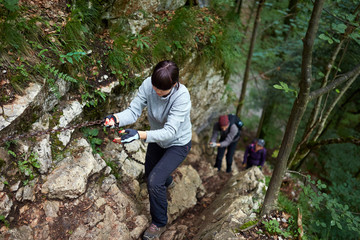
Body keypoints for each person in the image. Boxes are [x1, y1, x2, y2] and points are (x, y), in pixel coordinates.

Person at [103, 60, 192, 240]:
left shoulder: (182, 97)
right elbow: (134, 111)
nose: (156, 92)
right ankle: (166, 180)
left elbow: (170, 132)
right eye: (154, 87)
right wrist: (116, 118)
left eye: (161, 90)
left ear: (174, 84)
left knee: (153, 181)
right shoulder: (148, 85)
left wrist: (139, 135)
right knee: (152, 174)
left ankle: (159, 222)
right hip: (156, 140)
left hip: (178, 143)